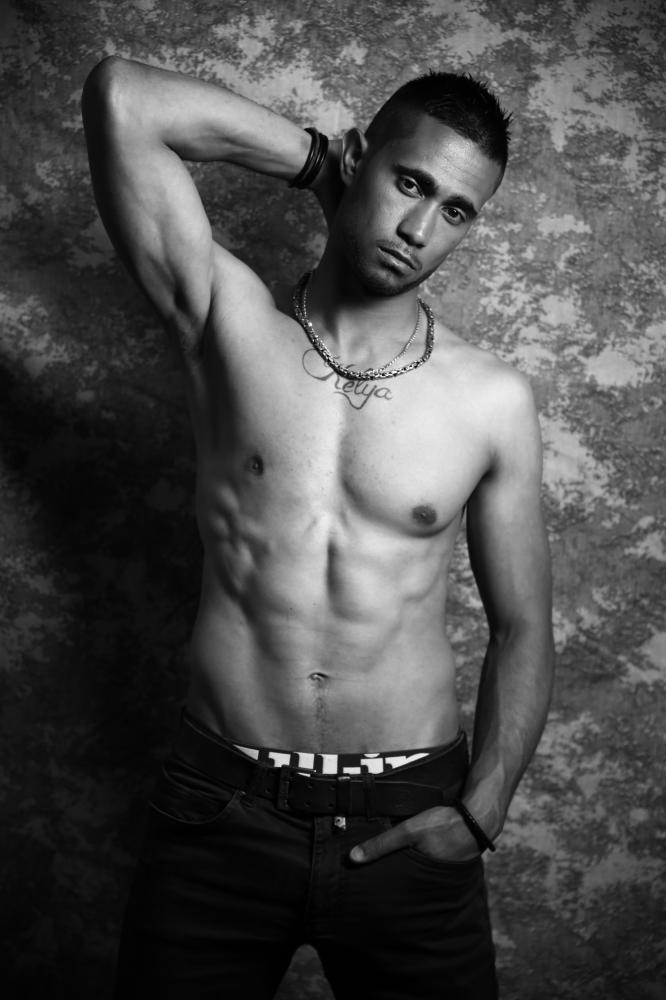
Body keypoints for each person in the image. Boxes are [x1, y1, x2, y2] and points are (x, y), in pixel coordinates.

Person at [82, 52, 554, 1000]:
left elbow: (523, 629)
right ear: (361, 157)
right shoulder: (228, 326)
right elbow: (122, 99)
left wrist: (482, 810)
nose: (419, 230)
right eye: (408, 182)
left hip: (408, 816)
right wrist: (312, 162)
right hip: (220, 811)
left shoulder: (492, 401)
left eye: (456, 211)